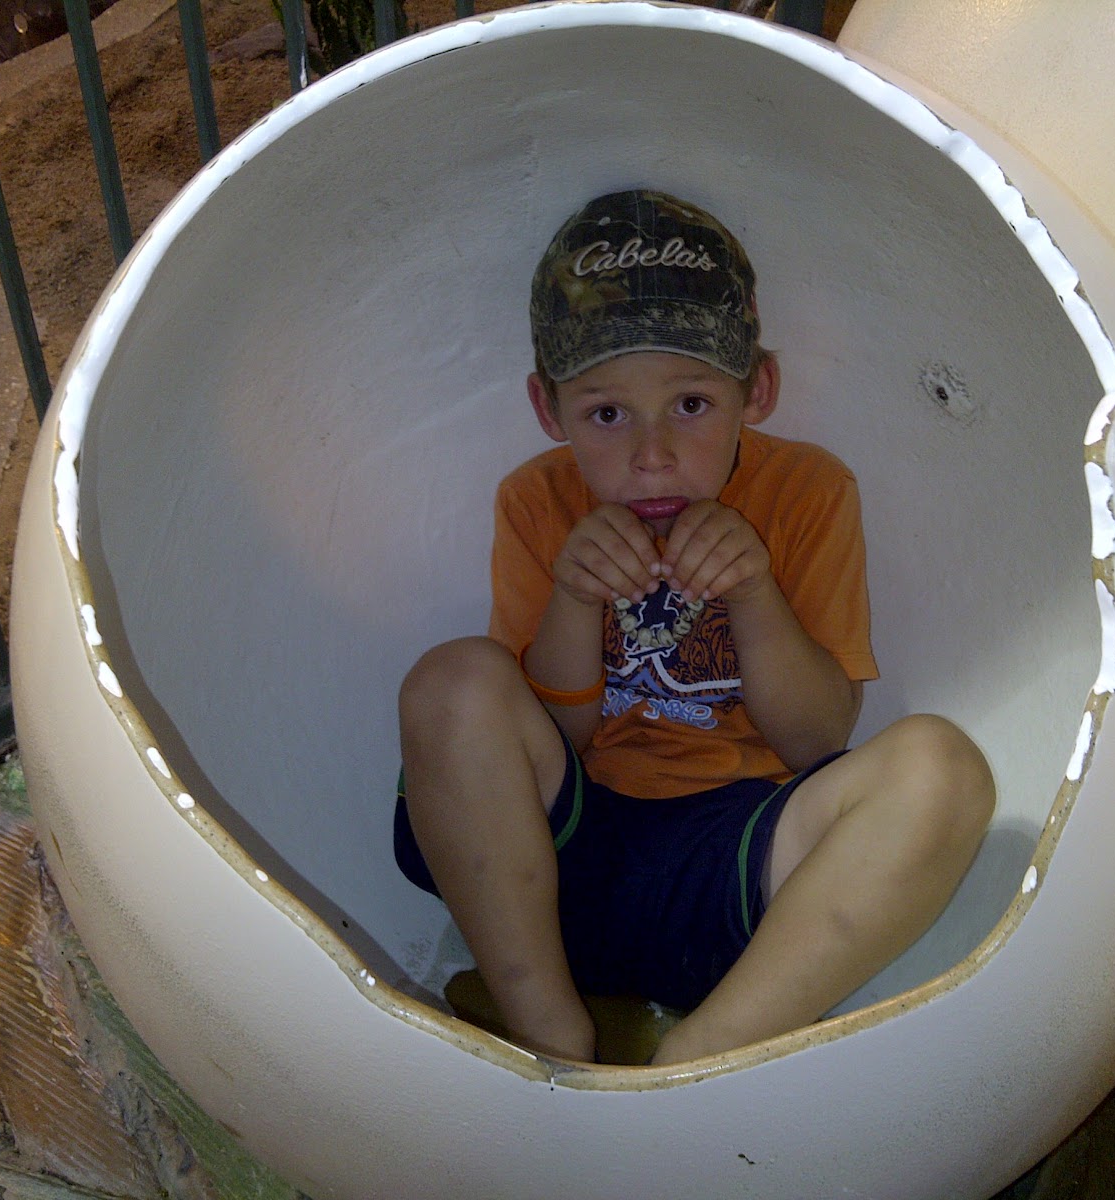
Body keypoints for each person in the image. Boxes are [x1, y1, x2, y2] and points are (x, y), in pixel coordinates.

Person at [394, 188, 994, 1066]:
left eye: (691, 404)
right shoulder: (536, 501)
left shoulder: (808, 493)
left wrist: (754, 592)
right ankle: (549, 1037)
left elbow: (818, 743)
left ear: (758, 387)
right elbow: (545, 735)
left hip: (738, 881)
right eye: (606, 414)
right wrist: (573, 596)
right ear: (546, 408)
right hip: (548, 877)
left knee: (942, 770)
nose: (652, 454)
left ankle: (697, 1065)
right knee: (452, 681)